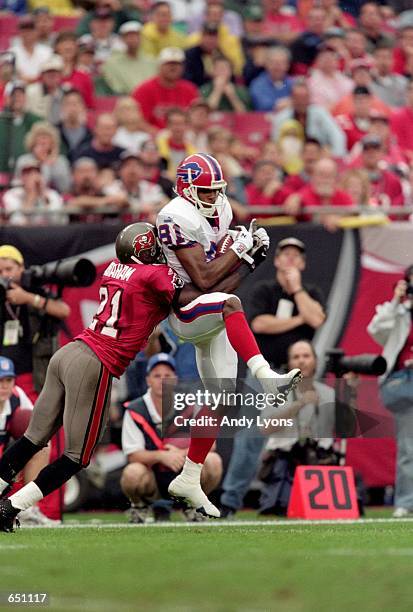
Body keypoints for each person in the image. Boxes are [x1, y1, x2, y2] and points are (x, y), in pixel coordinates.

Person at [157, 153, 302, 518]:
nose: (213, 198)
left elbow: (221, 281)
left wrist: (251, 260)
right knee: (231, 304)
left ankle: (190, 476)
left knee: (220, 396)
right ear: (187, 189)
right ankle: (266, 376)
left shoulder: (218, 207)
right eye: (206, 192)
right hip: (184, 309)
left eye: (216, 191)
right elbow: (204, 280)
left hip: (209, 303)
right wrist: (238, 249)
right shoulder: (174, 216)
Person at [221, 340, 335, 517]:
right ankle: (229, 503)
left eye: (306, 356)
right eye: (296, 357)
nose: (301, 361)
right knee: (279, 509)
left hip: (316, 463)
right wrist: (300, 404)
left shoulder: (328, 393)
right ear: (289, 364)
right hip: (285, 461)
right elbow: (265, 429)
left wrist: (352, 391)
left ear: (316, 361)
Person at [121, 353, 222, 523]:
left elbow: (211, 444)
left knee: (213, 461)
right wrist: (162, 456)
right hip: (152, 476)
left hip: (185, 471)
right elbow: (132, 455)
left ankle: (193, 505)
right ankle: (139, 507)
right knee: (132, 473)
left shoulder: (192, 404)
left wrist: (181, 454)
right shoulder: (135, 409)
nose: (162, 380)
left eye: (167, 375)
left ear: (175, 379)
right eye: (157, 375)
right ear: (148, 380)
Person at [367, 268, 413, 517]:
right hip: (402, 382)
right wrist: (397, 300)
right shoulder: (399, 313)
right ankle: (406, 502)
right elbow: (375, 329)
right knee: (408, 446)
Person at [0, 245, 70, 402]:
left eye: (9, 269)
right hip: (3, 374)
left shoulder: (34, 289)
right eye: (0, 271)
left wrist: (29, 298)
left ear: (21, 268)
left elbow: (64, 310)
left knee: (35, 418)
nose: (4, 275)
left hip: (33, 373)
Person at [0, 356, 57, 526]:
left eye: (8, 380)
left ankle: (26, 508)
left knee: (42, 446)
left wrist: (17, 460)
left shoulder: (17, 396)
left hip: (4, 459)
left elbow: (38, 430)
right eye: (0, 380)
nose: (4, 386)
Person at [271, 79, 346, 158]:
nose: (301, 101)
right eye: (298, 97)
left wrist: (337, 156)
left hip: (317, 157)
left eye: (304, 98)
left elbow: (337, 135)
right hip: (290, 158)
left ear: (309, 98)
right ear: (291, 98)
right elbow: (275, 142)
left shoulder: (320, 113)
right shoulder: (281, 118)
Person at [132, 47, 199, 130]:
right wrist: (158, 136)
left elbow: (197, 119)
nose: (173, 67)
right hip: (153, 138)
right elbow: (137, 120)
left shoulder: (190, 89)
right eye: (169, 64)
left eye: (177, 64)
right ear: (159, 66)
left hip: (184, 138)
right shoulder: (144, 89)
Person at [3, 160, 66, 226]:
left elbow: (58, 221)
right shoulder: (12, 194)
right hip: (24, 234)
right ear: (20, 177)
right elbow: (17, 222)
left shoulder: (52, 194)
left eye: (36, 172)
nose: (33, 176)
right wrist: (31, 195)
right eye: (27, 173)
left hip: (48, 233)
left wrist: (44, 196)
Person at [101, 21, 158, 95]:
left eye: (136, 35)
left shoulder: (152, 61)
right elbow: (116, 89)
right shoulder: (111, 63)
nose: (133, 39)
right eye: (129, 36)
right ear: (122, 39)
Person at [0, 81, 42, 175]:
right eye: (13, 95)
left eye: (20, 95)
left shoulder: (36, 121)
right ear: (7, 98)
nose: (17, 98)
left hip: (28, 173)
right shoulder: (1, 121)